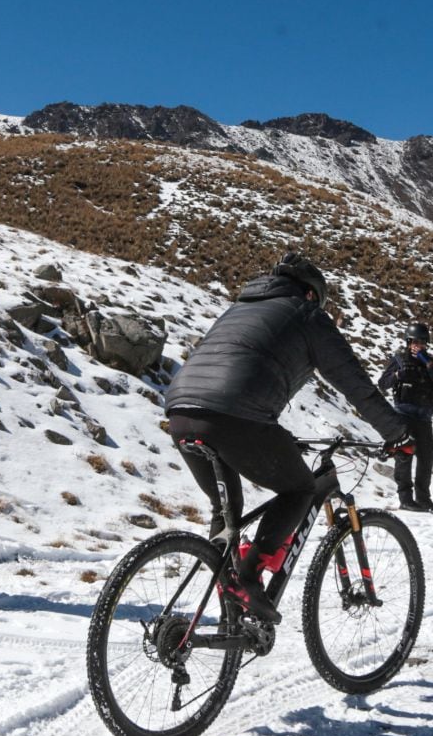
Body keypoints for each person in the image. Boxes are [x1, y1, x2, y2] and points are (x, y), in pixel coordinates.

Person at [165, 253, 412, 623]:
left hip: (181, 411)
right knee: (300, 488)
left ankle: (228, 598)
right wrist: (398, 434)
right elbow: (356, 384)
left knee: (226, 511)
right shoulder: (307, 315)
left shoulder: (238, 309)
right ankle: (247, 577)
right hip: (236, 414)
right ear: (312, 295)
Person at [377, 323, 433, 513]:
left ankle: (423, 498)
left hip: (424, 416)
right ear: (408, 342)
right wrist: (398, 375)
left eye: (422, 342)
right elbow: (383, 383)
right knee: (404, 455)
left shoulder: (430, 362)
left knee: (426, 455)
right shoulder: (399, 359)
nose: (418, 345)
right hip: (404, 414)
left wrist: (430, 366)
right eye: (415, 342)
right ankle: (405, 498)